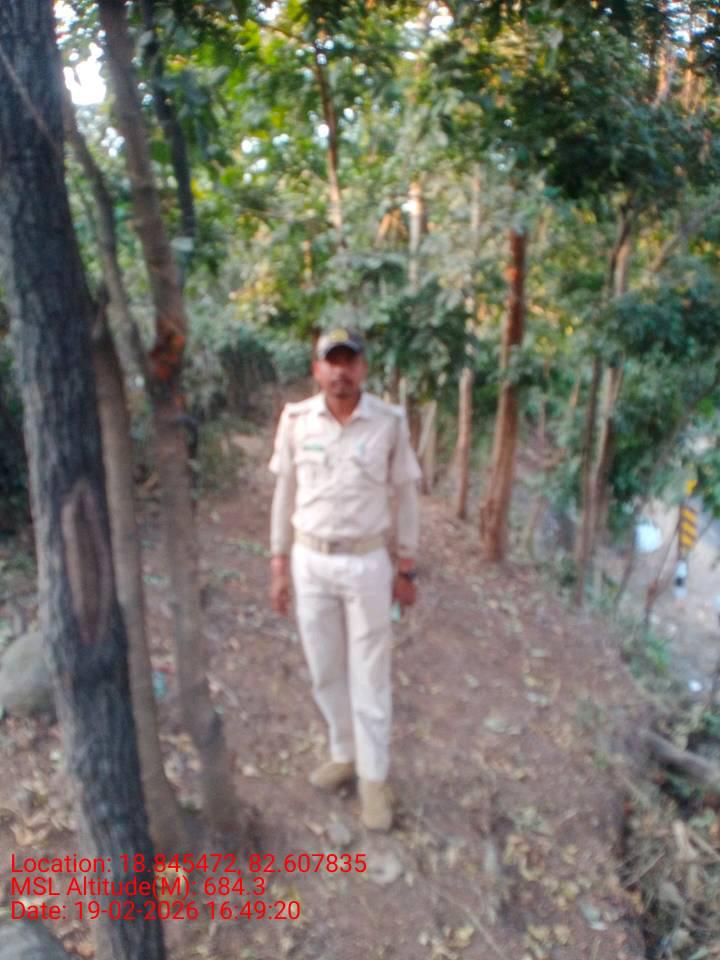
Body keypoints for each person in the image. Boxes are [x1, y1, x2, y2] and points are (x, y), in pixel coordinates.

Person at [268, 327, 421, 832]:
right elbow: (284, 494)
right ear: (317, 370)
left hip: (367, 563)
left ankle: (374, 779)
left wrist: (406, 565)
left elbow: (406, 496)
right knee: (324, 668)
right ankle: (344, 754)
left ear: (363, 368)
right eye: (331, 362)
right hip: (310, 560)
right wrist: (278, 563)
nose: (341, 371)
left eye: (349, 361)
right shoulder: (295, 421)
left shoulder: (389, 422)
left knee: (370, 674)